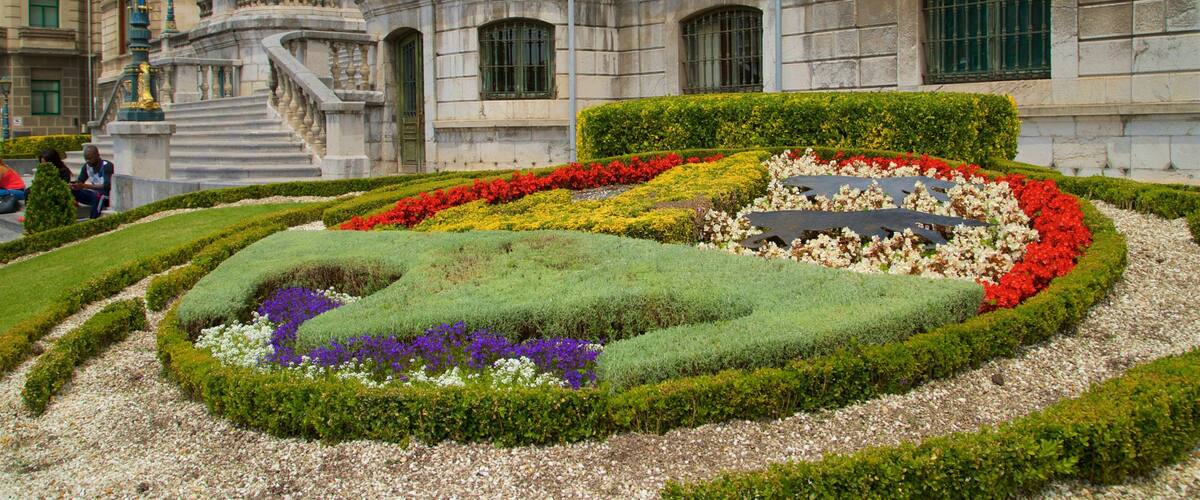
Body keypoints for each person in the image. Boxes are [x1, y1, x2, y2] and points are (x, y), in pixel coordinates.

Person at [71, 146, 114, 219]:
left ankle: (93, 220)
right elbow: (80, 181)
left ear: (97, 155)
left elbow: (107, 186)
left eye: (90, 158)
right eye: (86, 159)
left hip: (107, 197)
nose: (87, 161)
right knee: (72, 191)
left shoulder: (106, 166)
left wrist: (85, 186)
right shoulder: (86, 166)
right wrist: (75, 185)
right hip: (93, 194)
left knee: (98, 196)